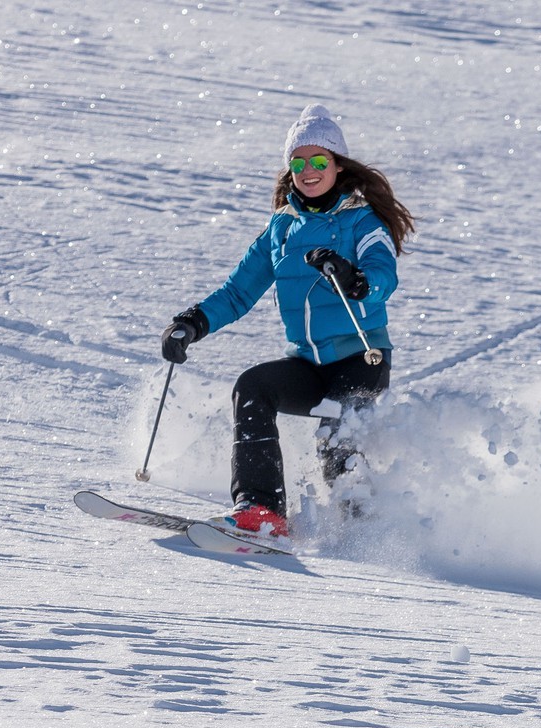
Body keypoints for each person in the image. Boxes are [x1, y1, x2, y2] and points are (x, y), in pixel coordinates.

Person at [158, 104, 416, 546]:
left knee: (337, 434)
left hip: (361, 358)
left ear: (338, 166)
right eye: (299, 162)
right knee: (253, 387)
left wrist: (354, 279)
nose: (309, 171)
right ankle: (262, 511)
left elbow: (382, 274)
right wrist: (193, 323)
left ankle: (362, 527)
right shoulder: (281, 228)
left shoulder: (361, 220)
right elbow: (239, 291)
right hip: (308, 363)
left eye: (319, 161)